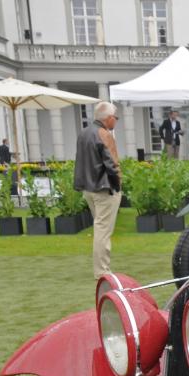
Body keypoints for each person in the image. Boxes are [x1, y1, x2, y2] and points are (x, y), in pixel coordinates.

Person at [73, 101, 122, 282]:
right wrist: (117, 185)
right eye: (115, 117)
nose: (116, 121)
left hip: (88, 188)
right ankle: (102, 271)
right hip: (103, 188)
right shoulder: (104, 134)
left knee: (99, 228)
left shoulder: (84, 133)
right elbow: (112, 164)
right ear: (108, 118)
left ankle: (101, 269)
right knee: (102, 230)